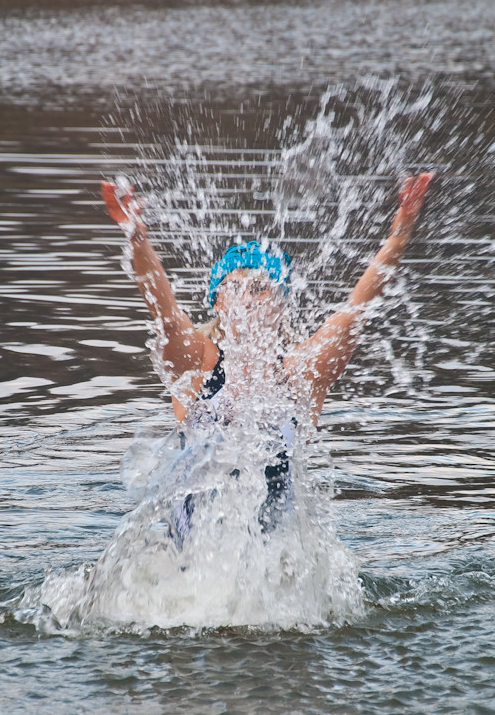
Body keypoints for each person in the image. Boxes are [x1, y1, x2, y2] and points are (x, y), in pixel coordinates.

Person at [101, 173, 433, 542]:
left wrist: (400, 235)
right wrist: (137, 236)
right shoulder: (198, 362)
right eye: (234, 287)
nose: (246, 297)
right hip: (192, 550)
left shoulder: (301, 372)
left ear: (281, 304)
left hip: (272, 555)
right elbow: (163, 308)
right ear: (217, 300)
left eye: (260, 288)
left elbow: (355, 311)